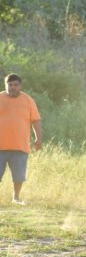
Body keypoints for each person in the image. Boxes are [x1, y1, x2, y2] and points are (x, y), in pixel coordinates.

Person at [0, 73, 42, 205]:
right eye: (10, 85)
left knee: (18, 176)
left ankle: (16, 198)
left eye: (15, 85)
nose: (13, 87)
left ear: (20, 86)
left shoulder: (28, 100)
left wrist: (38, 138)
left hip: (20, 145)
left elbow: (35, 120)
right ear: (6, 85)